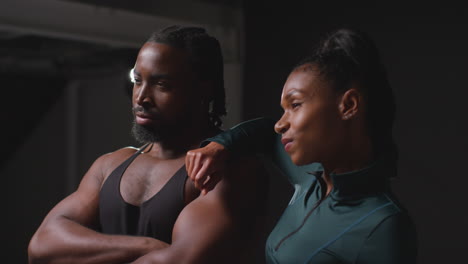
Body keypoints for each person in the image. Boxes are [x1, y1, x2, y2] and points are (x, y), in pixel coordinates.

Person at [28, 25, 267, 264]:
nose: (141, 97)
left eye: (161, 85)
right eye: (137, 80)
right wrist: (146, 245)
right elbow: (42, 246)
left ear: (203, 88)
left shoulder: (225, 170)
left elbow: (182, 260)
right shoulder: (110, 165)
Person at [186, 28, 418, 263]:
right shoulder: (311, 174)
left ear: (348, 105)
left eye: (295, 105)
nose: (280, 124)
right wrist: (218, 146)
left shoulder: (382, 225)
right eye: (283, 110)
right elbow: (266, 132)